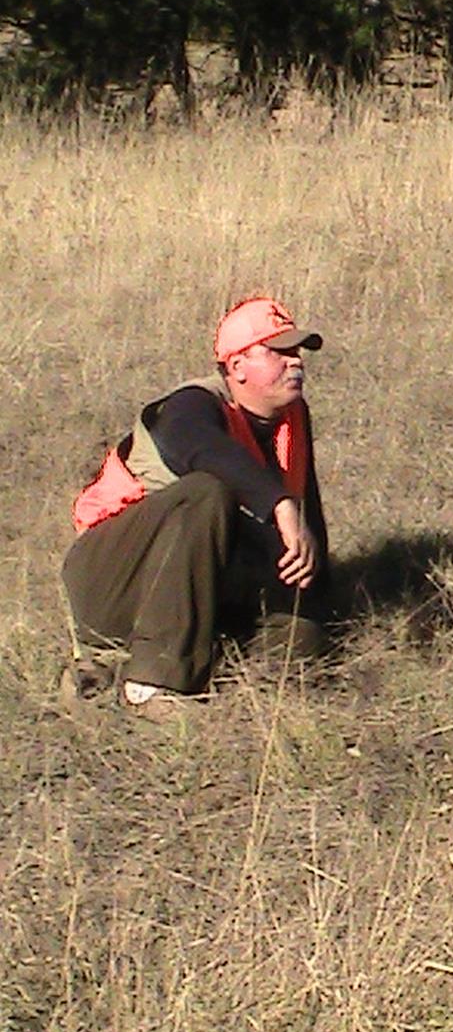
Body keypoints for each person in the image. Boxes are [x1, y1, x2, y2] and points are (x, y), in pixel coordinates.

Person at [61, 297, 330, 720]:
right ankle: (152, 683)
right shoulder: (190, 406)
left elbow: (308, 525)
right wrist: (278, 503)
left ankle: (121, 670)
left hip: (187, 588)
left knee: (301, 636)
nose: (295, 362)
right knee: (207, 491)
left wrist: (312, 593)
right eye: (278, 352)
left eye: (297, 352)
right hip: (107, 579)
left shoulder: (291, 420)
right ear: (237, 366)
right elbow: (196, 444)